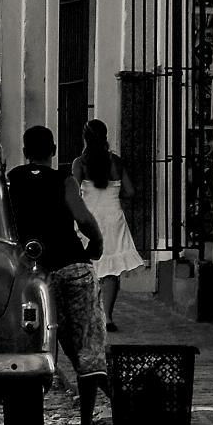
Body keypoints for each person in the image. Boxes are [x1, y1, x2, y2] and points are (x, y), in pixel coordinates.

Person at [3, 124, 109, 425]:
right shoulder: (63, 180)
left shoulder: (11, 181)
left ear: (25, 152)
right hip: (72, 266)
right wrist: (97, 242)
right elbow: (83, 218)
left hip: (36, 275)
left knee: (43, 341)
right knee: (88, 347)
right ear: (53, 150)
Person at [72, 119, 146, 331]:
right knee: (111, 271)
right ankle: (108, 318)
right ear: (105, 136)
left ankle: (89, 315)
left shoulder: (80, 163)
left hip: (89, 218)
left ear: (85, 138)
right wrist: (114, 194)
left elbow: (74, 191)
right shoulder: (116, 162)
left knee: (87, 267)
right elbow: (130, 191)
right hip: (114, 217)